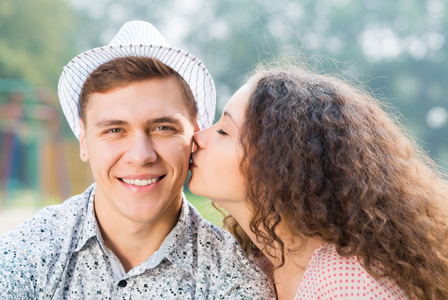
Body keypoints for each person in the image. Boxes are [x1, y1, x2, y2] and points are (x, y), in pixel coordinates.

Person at [0, 21, 275, 299]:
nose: (141, 155)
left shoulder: (235, 282)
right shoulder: (25, 257)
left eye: (162, 128)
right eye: (115, 130)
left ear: (194, 133)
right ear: (84, 140)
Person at [189, 62, 448, 299]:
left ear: (277, 164)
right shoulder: (262, 267)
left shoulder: (346, 284)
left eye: (223, 131)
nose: (198, 137)